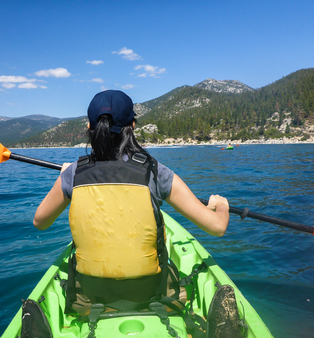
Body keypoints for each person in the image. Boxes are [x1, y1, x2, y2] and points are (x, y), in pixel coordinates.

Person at [33, 90, 229, 312]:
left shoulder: (73, 174)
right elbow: (217, 227)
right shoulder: (155, 171)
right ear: (133, 126)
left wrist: (65, 176)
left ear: (89, 128)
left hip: (89, 296)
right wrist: (220, 205)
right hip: (150, 292)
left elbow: (40, 221)